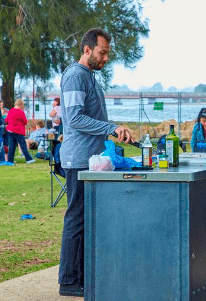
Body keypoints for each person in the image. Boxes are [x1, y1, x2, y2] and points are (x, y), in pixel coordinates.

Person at [58, 28, 134, 297]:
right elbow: (76, 118)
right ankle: (68, 281)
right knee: (76, 220)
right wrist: (111, 128)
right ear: (87, 50)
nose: (105, 59)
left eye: (107, 54)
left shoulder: (89, 76)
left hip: (93, 160)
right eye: (102, 53)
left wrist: (111, 134)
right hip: (78, 160)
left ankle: (83, 277)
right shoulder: (76, 76)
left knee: (88, 221)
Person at [4, 99, 35, 165]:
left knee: (12, 145)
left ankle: (10, 160)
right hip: (18, 131)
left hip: (10, 130)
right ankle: (28, 158)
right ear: (21, 105)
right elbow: (25, 122)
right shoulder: (20, 112)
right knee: (23, 145)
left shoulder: (11, 111)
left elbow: (6, 120)